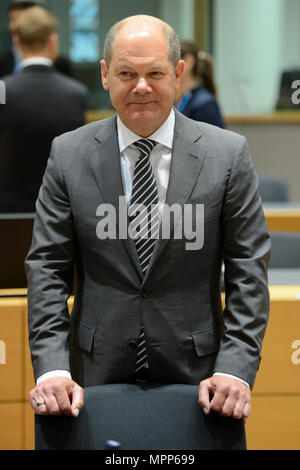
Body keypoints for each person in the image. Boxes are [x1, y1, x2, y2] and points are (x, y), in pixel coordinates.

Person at [25, 15, 270, 441]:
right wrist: (53, 367)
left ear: (178, 73)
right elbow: (47, 270)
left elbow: (249, 271)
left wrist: (236, 368)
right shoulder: (68, 155)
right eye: (126, 73)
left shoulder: (228, 155)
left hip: (202, 380)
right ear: (105, 75)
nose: (140, 86)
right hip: (89, 380)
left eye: (154, 73)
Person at [0, 6, 88, 213]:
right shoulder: (76, 93)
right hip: (59, 206)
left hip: (8, 206)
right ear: (52, 41)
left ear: (17, 42)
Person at [0, 1, 73, 78]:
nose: (12, 26)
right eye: (11, 20)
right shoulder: (3, 62)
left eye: (19, 19)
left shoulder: (61, 64)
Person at [176, 39, 225, 128]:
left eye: (171, 61)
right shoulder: (184, 97)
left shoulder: (204, 103)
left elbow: (216, 140)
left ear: (189, 62)